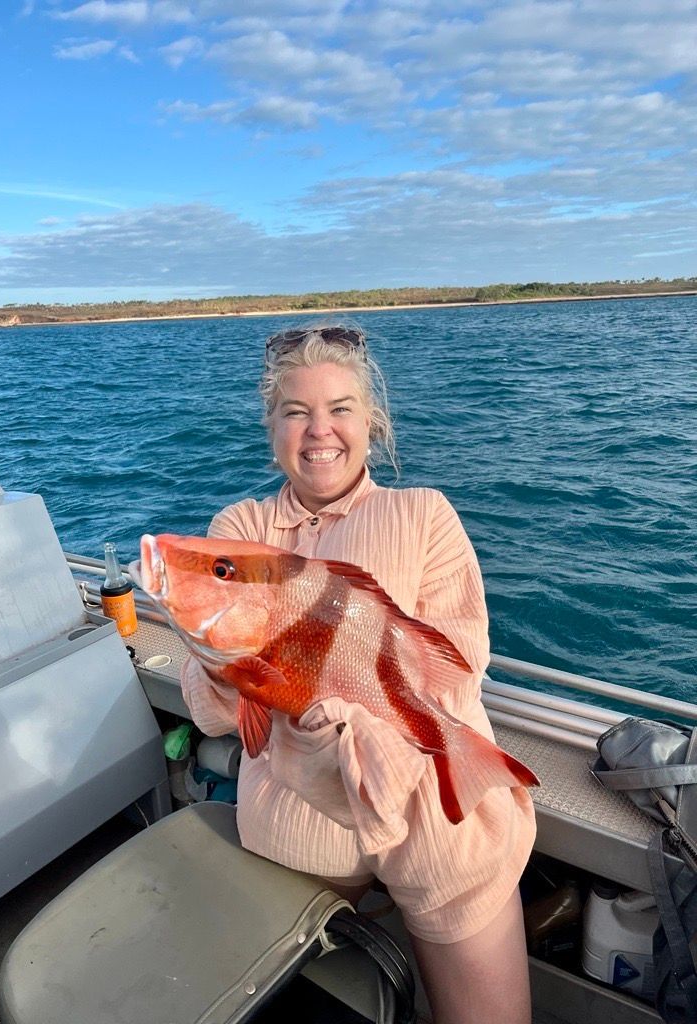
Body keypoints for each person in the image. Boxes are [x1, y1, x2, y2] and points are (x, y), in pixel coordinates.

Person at [181, 322, 537, 1024]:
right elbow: (212, 711)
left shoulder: (423, 513)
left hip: (437, 808)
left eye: (340, 408)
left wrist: (349, 714)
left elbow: (456, 667)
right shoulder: (239, 531)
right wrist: (231, 667)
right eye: (296, 411)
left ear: (371, 422)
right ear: (271, 427)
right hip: (296, 819)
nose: (320, 431)